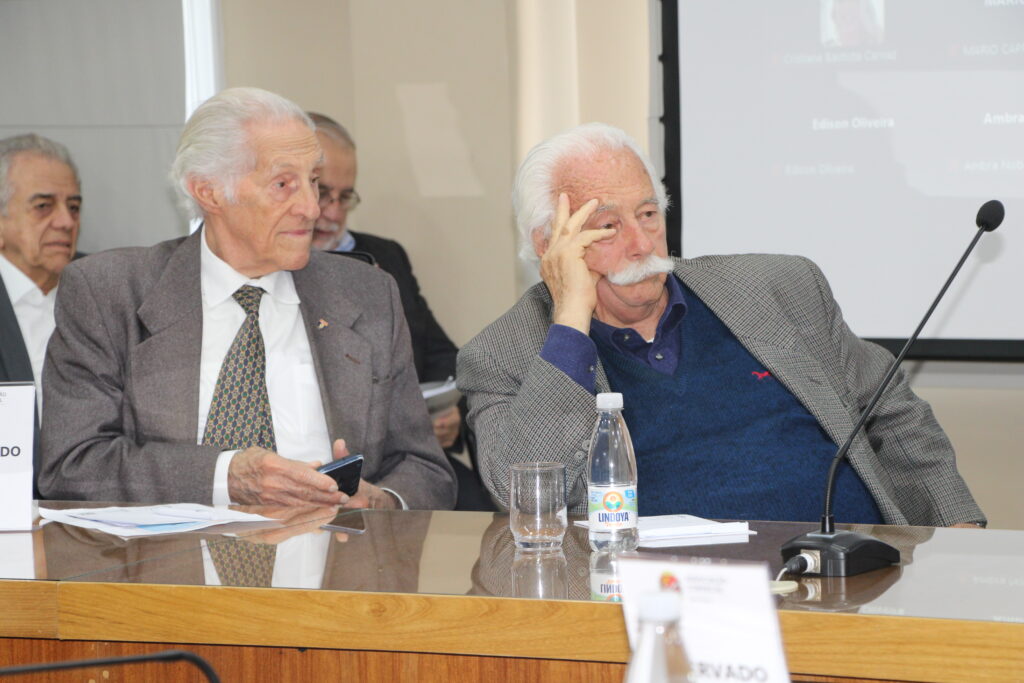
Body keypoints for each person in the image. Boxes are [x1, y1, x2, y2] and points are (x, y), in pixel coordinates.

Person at [456, 122, 984, 528]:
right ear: (549, 245)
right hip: (665, 601)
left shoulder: (779, 287)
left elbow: (893, 415)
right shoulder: (503, 354)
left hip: (851, 576)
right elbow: (525, 498)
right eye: (608, 226)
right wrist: (571, 324)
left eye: (648, 215)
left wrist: (957, 529)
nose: (642, 244)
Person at [39, 87, 455, 510]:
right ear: (209, 192)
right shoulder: (110, 293)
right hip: (170, 552)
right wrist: (226, 477)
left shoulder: (367, 293)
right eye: (283, 184)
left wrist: (382, 504)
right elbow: (73, 465)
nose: (312, 208)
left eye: (312, 181)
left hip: (334, 547)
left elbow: (425, 468)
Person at [307, 111, 492, 511]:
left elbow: (442, 356)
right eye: (322, 194)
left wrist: (450, 415)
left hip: (404, 462)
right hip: (329, 464)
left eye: (345, 197)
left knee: (482, 507)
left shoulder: (386, 256)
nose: (333, 214)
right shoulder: (277, 270)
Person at [0, 133, 82, 490]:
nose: (66, 221)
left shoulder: (106, 290)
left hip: (92, 505)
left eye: (74, 207)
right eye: (43, 206)